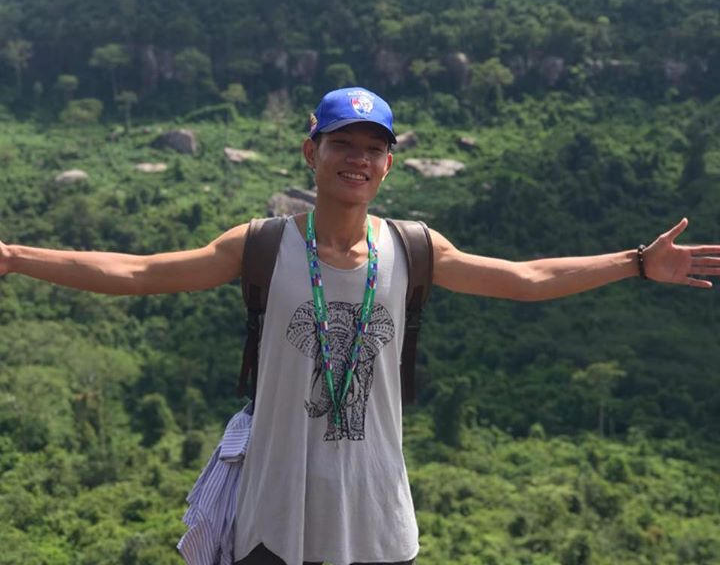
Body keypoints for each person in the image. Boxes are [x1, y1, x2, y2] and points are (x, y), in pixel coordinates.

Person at [1, 86, 719, 565]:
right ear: (311, 151)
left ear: (389, 164)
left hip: (374, 515)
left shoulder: (413, 248)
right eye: (343, 143)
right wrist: (14, 257)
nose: (358, 159)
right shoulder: (261, 246)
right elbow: (137, 272)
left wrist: (634, 262)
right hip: (273, 515)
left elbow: (526, 280)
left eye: (373, 148)